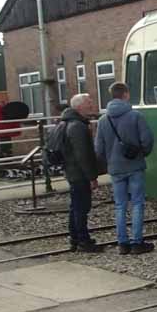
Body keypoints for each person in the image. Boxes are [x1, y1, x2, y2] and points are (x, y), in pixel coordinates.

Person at [95, 82, 154, 255]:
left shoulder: (102, 120)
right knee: (137, 203)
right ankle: (137, 242)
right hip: (135, 166)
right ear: (126, 95)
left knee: (120, 205)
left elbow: (98, 148)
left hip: (115, 169)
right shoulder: (136, 116)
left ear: (111, 95)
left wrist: (111, 160)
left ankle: (122, 243)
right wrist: (142, 154)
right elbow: (147, 140)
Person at [57, 93, 103, 253]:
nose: (92, 105)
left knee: (76, 206)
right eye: (89, 103)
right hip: (78, 173)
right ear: (79, 107)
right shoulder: (78, 126)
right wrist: (92, 177)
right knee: (81, 207)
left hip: (73, 171)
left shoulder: (69, 123)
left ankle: (76, 238)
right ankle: (83, 240)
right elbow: (83, 155)